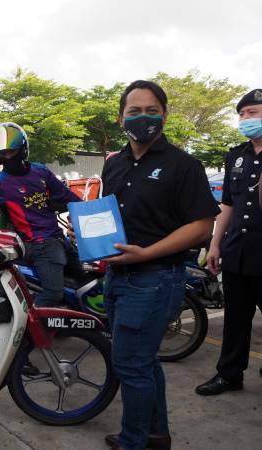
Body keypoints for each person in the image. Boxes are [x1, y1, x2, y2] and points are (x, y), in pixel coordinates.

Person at [100, 80, 219, 450]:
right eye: (134, 111)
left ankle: (134, 441)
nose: (143, 118)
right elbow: (109, 216)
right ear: (121, 118)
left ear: (164, 116)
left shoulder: (183, 165)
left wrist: (147, 253)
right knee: (144, 362)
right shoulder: (114, 165)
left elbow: (202, 226)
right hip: (116, 275)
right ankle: (156, 434)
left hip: (154, 278)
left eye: (152, 111)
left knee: (131, 366)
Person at [196, 89, 262, 396]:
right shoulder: (236, 155)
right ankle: (229, 374)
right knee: (236, 319)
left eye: (254, 112)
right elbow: (228, 206)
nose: (247, 118)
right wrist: (215, 244)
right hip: (237, 251)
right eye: (243, 113)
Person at [0, 122, 81, 307]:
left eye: (12, 152)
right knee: (53, 294)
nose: (8, 157)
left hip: (59, 238)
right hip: (38, 245)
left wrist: (92, 216)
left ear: (22, 150)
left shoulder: (41, 171)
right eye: (3, 154)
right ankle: (28, 329)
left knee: (83, 279)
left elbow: (69, 198)